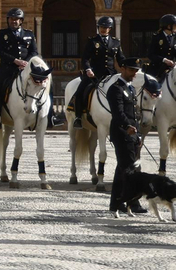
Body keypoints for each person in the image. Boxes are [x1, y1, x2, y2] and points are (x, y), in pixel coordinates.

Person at [107, 53, 150, 217]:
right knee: (128, 169)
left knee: (124, 169)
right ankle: (129, 202)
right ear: (122, 69)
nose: (134, 74)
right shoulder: (115, 89)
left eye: (136, 71)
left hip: (132, 134)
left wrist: (138, 134)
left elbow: (133, 113)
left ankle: (118, 202)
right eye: (131, 70)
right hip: (122, 133)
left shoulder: (130, 89)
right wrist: (127, 126)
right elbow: (118, 113)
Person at [0, 8, 38, 125]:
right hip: (7, 68)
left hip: (26, 68)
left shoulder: (29, 34)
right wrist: (15, 61)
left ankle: (49, 116)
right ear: (8, 20)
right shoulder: (1, 34)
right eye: (11, 19)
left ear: (21, 21)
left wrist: (25, 62)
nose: (14, 21)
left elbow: (34, 52)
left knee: (44, 83)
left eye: (17, 19)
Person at [72, 17, 120, 129]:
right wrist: (88, 69)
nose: (103, 29)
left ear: (110, 29)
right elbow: (85, 58)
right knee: (80, 92)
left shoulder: (115, 42)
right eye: (101, 27)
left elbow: (121, 59)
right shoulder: (92, 41)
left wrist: (129, 68)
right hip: (94, 75)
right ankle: (78, 117)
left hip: (110, 74)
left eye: (106, 27)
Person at [146, 14, 176, 97]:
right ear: (168, 26)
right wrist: (164, 60)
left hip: (171, 68)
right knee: (153, 89)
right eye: (174, 25)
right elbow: (150, 54)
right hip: (158, 69)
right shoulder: (157, 37)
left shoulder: (175, 37)